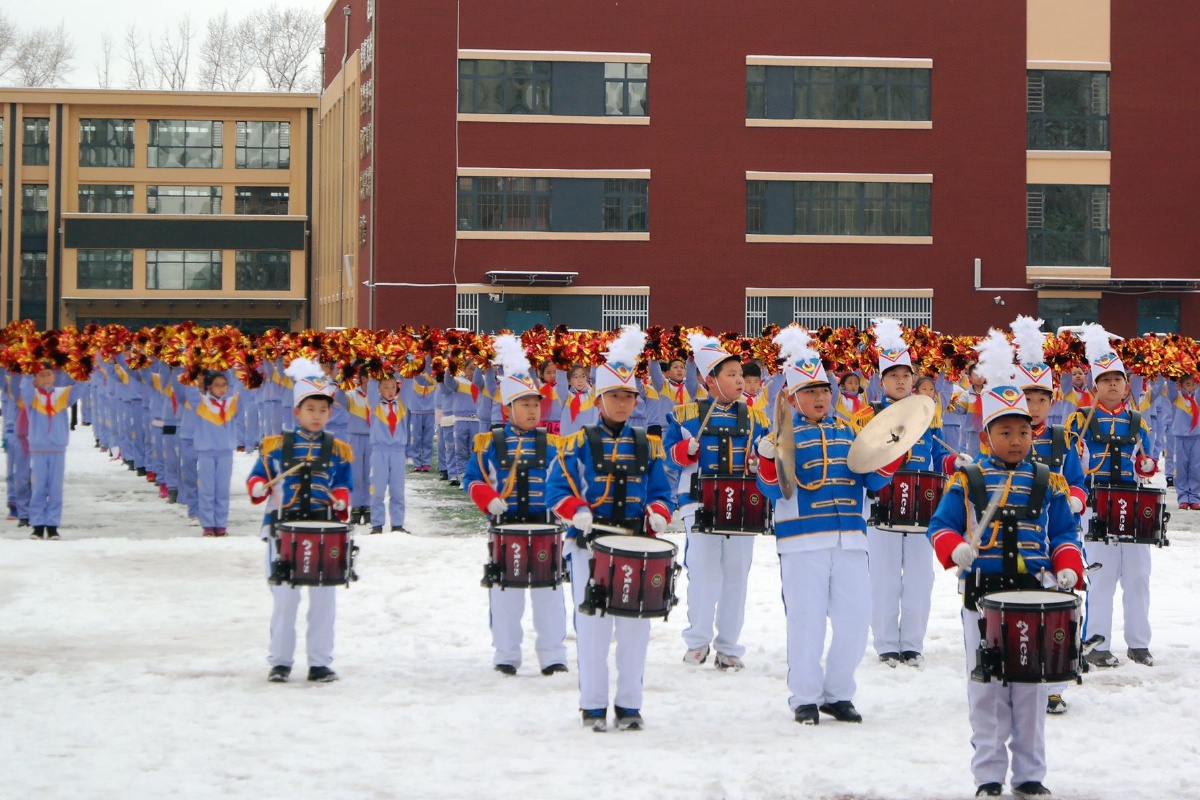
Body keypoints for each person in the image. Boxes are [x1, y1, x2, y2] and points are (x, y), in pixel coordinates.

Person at [925, 328, 1084, 799]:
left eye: (1023, 431)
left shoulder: (1048, 480)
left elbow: (1063, 534)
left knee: (1032, 691)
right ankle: (989, 776)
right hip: (982, 600)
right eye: (1005, 432)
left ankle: (1031, 773)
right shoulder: (968, 477)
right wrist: (955, 548)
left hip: (1034, 599)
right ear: (987, 433)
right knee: (987, 690)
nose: (1016, 440)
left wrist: (1067, 566)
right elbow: (940, 524)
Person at [755, 326, 903, 726]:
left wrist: (894, 452)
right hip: (802, 541)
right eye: (810, 392)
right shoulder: (780, 436)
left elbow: (872, 481)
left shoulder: (850, 431)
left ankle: (838, 692)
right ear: (792, 397)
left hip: (852, 539)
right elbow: (772, 491)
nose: (819, 398)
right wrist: (767, 458)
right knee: (806, 621)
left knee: (856, 618)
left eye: (824, 390)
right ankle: (804, 696)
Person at [546, 325, 673, 732]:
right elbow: (556, 487)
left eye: (628, 396)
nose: (622, 402)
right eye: (615, 395)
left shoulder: (646, 443)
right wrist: (576, 510)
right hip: (589, 545)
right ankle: (594, 706)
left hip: (635, 544)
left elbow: (661, 491)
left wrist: (657, 512)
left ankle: (630, 706)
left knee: (635, 629)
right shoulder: (577, 441)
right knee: (594, 627)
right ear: (600, 399)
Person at [853, 318, 960, 668]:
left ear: (914, 381)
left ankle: (912, 643)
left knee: (919, 580)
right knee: (883, 580)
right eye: (893, 376)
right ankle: (885, 643)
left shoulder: (929, 414)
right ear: (881, 381)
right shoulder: (868, 415)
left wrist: (954, 462)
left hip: (922, 508)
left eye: (906, 376)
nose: (900, 382)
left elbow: (940, 456)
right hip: (881, 507)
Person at [464, 335, 568, 677]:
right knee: (505, 596)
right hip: (506, 528)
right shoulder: (490, 442)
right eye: (524, 404)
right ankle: (506, 654)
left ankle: (553, 655)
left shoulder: (552, 444)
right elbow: (473, 478)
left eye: (536, 404)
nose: (532, 410)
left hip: (544, 528)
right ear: (508, 409)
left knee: (549, 597)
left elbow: (566, 480)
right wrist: (487, 499)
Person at [665, 334, 769, 671]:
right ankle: (697, 641)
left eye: (741, 374)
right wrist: (685, 451)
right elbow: (669, 457)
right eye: (731, 375)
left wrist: (758, 462)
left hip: (741, 504)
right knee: (705, 572)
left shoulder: (756, 419)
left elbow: (762, 458)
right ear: (710, 381)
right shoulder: (686, 416)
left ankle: (728, 645)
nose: (740, 380)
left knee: (737, 575)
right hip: (699, 501)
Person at [247, 358, 353, 683]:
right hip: (283, 530)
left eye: (323, 410)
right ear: (297, 412)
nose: (317, 416)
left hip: (323, 529)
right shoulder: (275, 447)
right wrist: (257, 486)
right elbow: (257, 480)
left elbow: (343, 486)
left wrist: (341, 502)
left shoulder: (338, 450)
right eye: (311, 409)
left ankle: (320, 662)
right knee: (285, 599)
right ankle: (280, 661)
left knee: (323, 600)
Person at [1065, 325, 1158, 669]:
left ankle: (1139, 643)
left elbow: (1146, 463)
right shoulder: (1080, 419)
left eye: (1118, 380)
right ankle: (1097, 643)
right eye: (1106, 380)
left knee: (1137, 576)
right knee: (1101, 575)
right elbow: (1073, 464)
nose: (1114, 385)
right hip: (1097, 503)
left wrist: (1146, 464)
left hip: (1132, 504)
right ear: (1095, 386)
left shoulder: (1138, 421)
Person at [1011, 316, 1088, 715]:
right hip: (1015, 534)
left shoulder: (1062, 439)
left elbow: (1078, 481)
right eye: (1027, 397)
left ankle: (1055, 685)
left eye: (1041, 399)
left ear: (1051, 402)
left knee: (1059, 606)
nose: (1034, 406)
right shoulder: (1004, 435)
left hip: (1054, 533)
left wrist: (1074, 499)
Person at [21, 363, 87, 539]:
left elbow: (79, 388)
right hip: (38, 448)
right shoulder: (32, 396)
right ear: (35, 378)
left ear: (54, 376)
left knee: (55, 488)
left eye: (48, 374)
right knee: (38, 487)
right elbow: (24, 386)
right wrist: (28, 367)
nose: (45, 378)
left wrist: (84, 368)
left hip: (57, 447)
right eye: (40, 375)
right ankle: (37, 525)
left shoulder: (62, 395)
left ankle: (52, 525)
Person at [183, 371, 241, 537]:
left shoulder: (231, 404)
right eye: (217, 385)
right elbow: (189, 389)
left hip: (225, 453)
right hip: (206, 453)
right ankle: (208, 525)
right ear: (209, 387)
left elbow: (242, 385)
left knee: (222, 490)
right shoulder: (202, 404)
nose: (222, 389)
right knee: (207, 490)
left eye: (224, 385)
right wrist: (192, 369)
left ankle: (221, 525)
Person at [367, 371, 409, 533]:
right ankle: (377, 524)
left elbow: (409, 382)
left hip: (398, 451)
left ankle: (397, 524)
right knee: (377, 489)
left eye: (393, 386)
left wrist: (406, 367)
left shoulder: (402, 404)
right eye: (386, 387)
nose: (390, 390)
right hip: (379, 451)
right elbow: (371, 385)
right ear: (379, 389)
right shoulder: (375, 405)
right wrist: (376, 366)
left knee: (398, 490)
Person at [1164, 373, 1200, 509]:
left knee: (1196, 468)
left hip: (1197, 437)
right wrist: (1173, 378)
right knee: (1181, 468)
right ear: (1182, 385)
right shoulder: (1177, 398)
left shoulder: (1197, 397)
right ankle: (1183, 497)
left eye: (1193, 384)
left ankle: (1195, 497)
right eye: (1187, 384)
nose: (1190, 387)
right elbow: (1171, 391)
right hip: (1180, 438)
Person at [344, 370, 373, 526]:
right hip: (354, 437)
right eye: (371, 377)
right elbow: (338, 400)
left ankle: (368, 507)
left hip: (372, 438)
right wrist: (342, 378)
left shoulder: (378, 396)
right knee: (355, 475)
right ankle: (355, 508)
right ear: (363, 378)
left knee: (369, 475)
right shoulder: (351, 395)